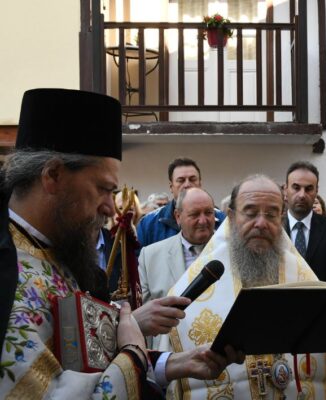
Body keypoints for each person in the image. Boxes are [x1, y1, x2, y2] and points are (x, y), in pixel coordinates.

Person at [0, 89, 241, 398]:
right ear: (53, 176)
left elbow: (85, 364)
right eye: (103, 189)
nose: (110, 208)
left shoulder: (59, 252)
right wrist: (133, 352)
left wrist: (174, 363)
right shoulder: (7, 275)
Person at [162, 174, 326, 399]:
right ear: (231, 217)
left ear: (281, 218)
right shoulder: (187, 296)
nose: (261, 223)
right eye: (250, 213)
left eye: (271, 214)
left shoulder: (306, 282)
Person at [138, 187, 217, 349]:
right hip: (172, 355)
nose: (203, 220)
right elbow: (143, 316)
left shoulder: (232, 251)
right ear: (178, 216)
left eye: (208, 213)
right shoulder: (150, 256)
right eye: (195, 214)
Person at [282, 161, 326, 285]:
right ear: (285, 190)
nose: (302, 195)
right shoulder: (273, 229)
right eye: (296, 187)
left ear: (316, 191)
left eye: (308, 189)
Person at [136, 158, 225, 248]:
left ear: (200, 184)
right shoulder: (148, 224)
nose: (187, 185)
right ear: (171, 187)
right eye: (181, 180)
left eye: (192, 179)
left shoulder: (222, 220)